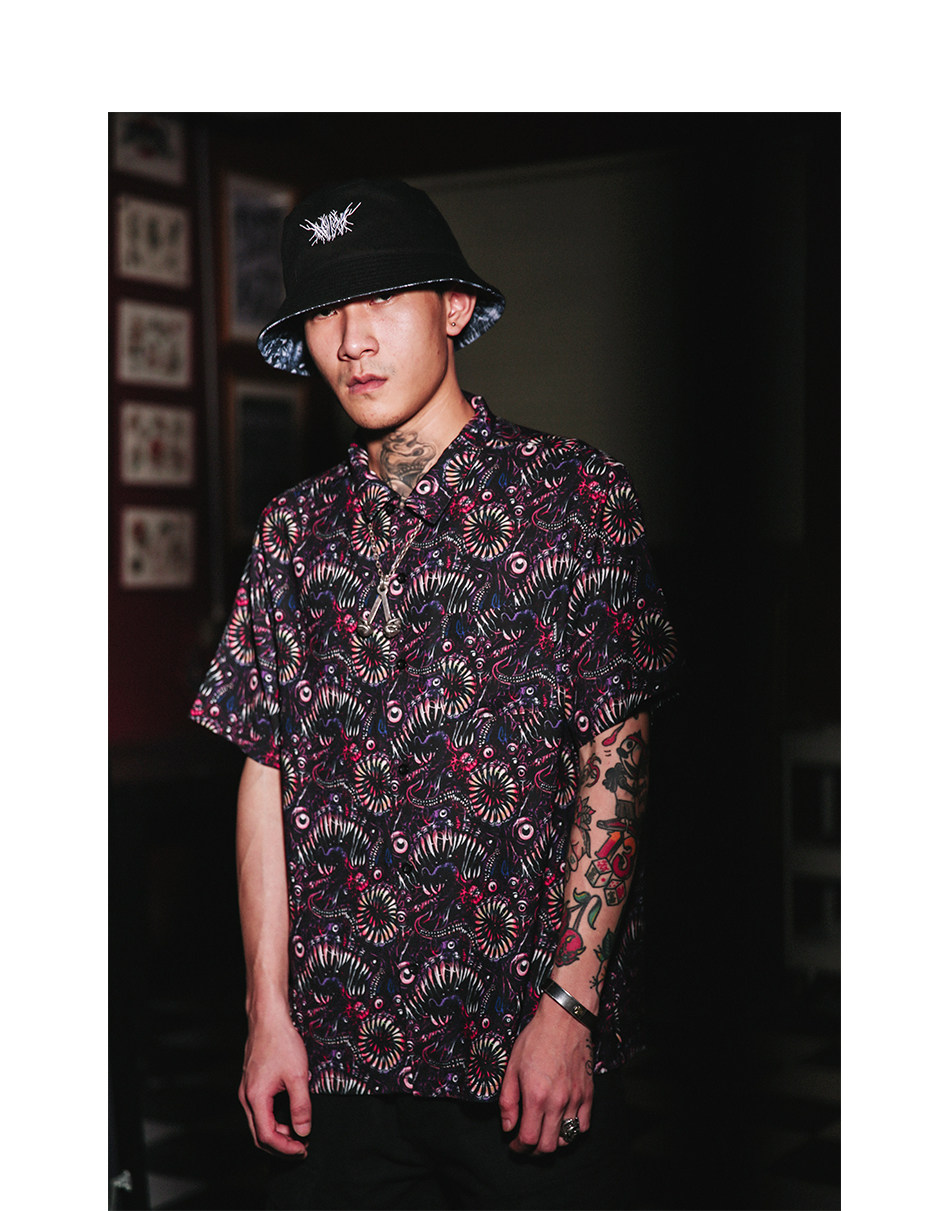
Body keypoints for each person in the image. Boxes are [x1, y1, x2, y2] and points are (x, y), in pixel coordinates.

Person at [191, 177, 680, 1210]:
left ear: (455, 307)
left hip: (520, 1061)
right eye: (324, 311)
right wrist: (264, 1011)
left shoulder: (573, 496)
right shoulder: (291, 533)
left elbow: (617, 757)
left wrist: (568, 1010)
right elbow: (263, 775)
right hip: (335, 1071)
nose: (352, 340)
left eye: (381, 297)